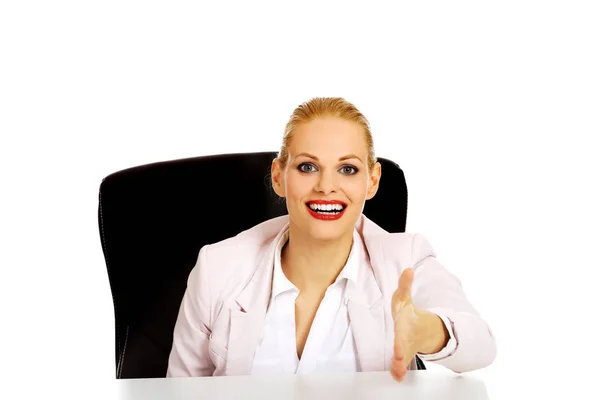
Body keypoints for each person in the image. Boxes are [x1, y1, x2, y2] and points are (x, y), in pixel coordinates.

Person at [166, 97, 496, 382]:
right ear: (279, 177)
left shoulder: (405, 259)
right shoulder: (217, 269)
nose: (326, 186)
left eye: (348, 169)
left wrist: (424, 330)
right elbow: (179, 394)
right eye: (308, 167)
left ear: (372, 181)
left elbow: (481, 345)